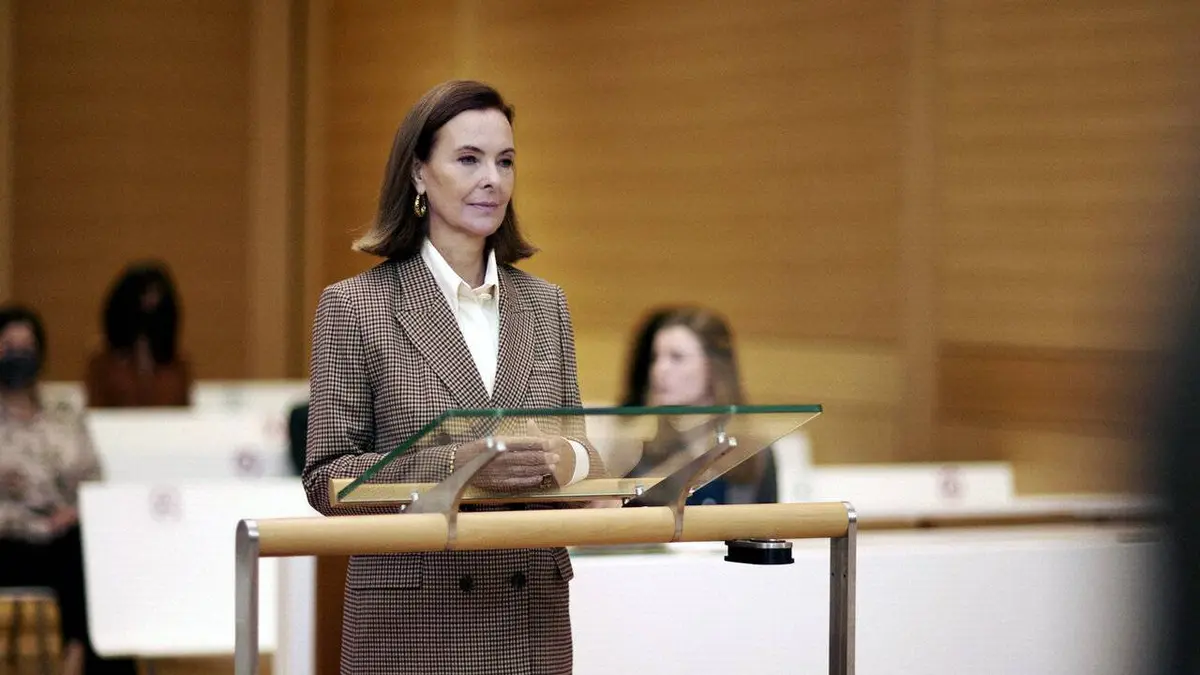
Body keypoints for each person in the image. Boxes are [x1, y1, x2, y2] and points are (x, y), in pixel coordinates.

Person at [302, 80, 603, 675]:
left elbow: (584, 455)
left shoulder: (547, 304)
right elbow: (327, 480)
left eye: (505, 161)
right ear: (418, 173)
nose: (492, 179)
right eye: (469, 159)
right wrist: (458, 466)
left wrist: (566, 459)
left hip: (531, 622)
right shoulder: (354, 307)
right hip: (417, 624)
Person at [0, 305, 137, 675]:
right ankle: (76, 660)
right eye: (8, 345)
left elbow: (94, 478)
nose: (18, 354)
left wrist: (76, 512)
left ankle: (77, 654)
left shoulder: (64, 413)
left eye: (26, 346)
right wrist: (33, 523)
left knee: (92, 554)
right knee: (78, 557)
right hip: (11, 539)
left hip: (63, 539)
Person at [619, 306, 778, 505]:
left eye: (677, 357)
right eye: (655, 357)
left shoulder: (755, 453)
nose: (659, 369)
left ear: (712, 366)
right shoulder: (639, 447)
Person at [85, 260, 191, 408]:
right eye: (144, 295)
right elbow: (97, 411)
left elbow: (181, 411)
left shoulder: (177, 364)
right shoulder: (103, 363)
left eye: (157, 296)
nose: (150, 304)